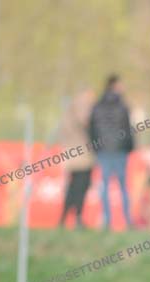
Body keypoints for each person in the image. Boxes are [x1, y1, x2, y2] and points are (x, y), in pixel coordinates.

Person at [89, 74, 135, 230]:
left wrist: (96, 147)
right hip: (120, 150)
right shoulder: (122, 106)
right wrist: (129, 147)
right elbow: (128, 130)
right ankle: (127, 220)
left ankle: (107, 220)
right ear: (114, 85)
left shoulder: (97, 106)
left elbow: (92, 129)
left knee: (105, 186)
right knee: (123, 186)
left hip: (103, 151)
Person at [58, 89, 95, 229]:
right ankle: (77, 217)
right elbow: (87, 126)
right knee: (81, 187)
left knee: (72, 187)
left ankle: (63, 218)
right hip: (83, 156)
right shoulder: (83, 111)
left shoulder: (68, 112)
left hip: (71, 156)